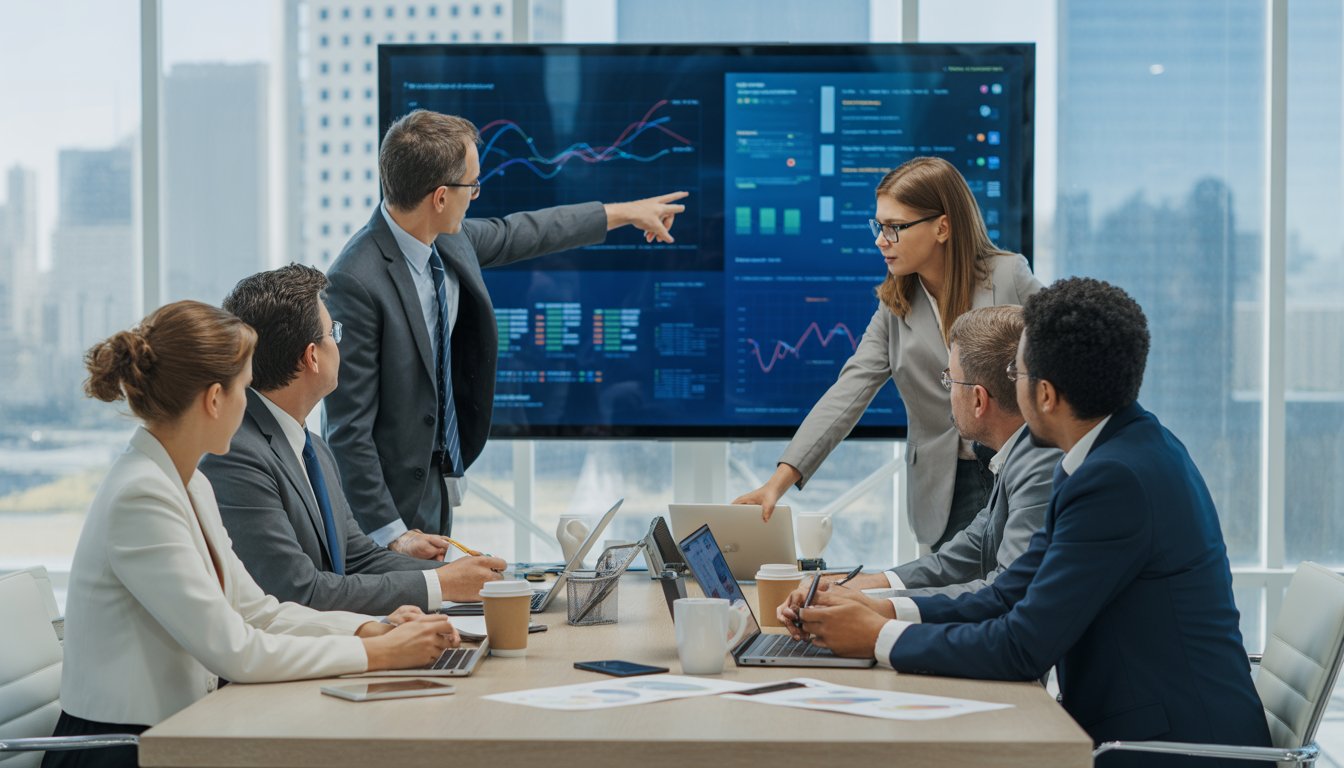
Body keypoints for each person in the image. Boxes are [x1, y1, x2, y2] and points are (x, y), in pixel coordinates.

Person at [793, 278, 1272, 765]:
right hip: (1135, 727)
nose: (1008, 381)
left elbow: (1020, 647)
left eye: (1014, 370)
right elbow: (1008, 594)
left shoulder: (1115, 480)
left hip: (1172, 749)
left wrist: (876, 639)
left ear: (1044, 394)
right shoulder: (1108, 452)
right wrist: (882, 611)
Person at [47, 301, 459, 768]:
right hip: (124, 750)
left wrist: (370, 627)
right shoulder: (140, 497)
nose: (248, 406)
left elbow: (255, 611)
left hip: (182, 732)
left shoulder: (187, 482)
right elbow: (236, 651)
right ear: (215, 398)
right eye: (245, 388)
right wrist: (375, 653)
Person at [325, 109, 687, 542]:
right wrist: (391, 534)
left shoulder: (447, 239)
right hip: (387, 510)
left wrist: (624, 213)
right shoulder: (355, 279)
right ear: (440, 197)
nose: (476, 194)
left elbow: (527, 231)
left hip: (438, 484)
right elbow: (347, 431)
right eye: (472, 185)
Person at [733, 156, 1042, 551]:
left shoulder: (1008, 276)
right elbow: (850, 390)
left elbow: (1062, 355)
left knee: (1012, 593)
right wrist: (778, 483)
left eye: (895, 228)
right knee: (949, 597)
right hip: (947, 485)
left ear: (942, 227)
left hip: (1019, 467)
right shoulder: (896, 305)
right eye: (879, 226)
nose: (881, 239)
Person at [200, 265, 507, 615]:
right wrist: (443, 584)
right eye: (334, 333)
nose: (339, 343)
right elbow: (300, 592)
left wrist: (461, 575)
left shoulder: (312, 447)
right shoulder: (235, 455)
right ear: (311, 356)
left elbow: (357, 557)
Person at [775, 306, 1058, 624]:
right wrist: (859, 587)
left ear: (978, 400)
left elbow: (1004, 596)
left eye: (951, 381)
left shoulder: (1040, 466)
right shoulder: (1017, 454)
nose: (947, 392)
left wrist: (879, 615)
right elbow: (970, 550)